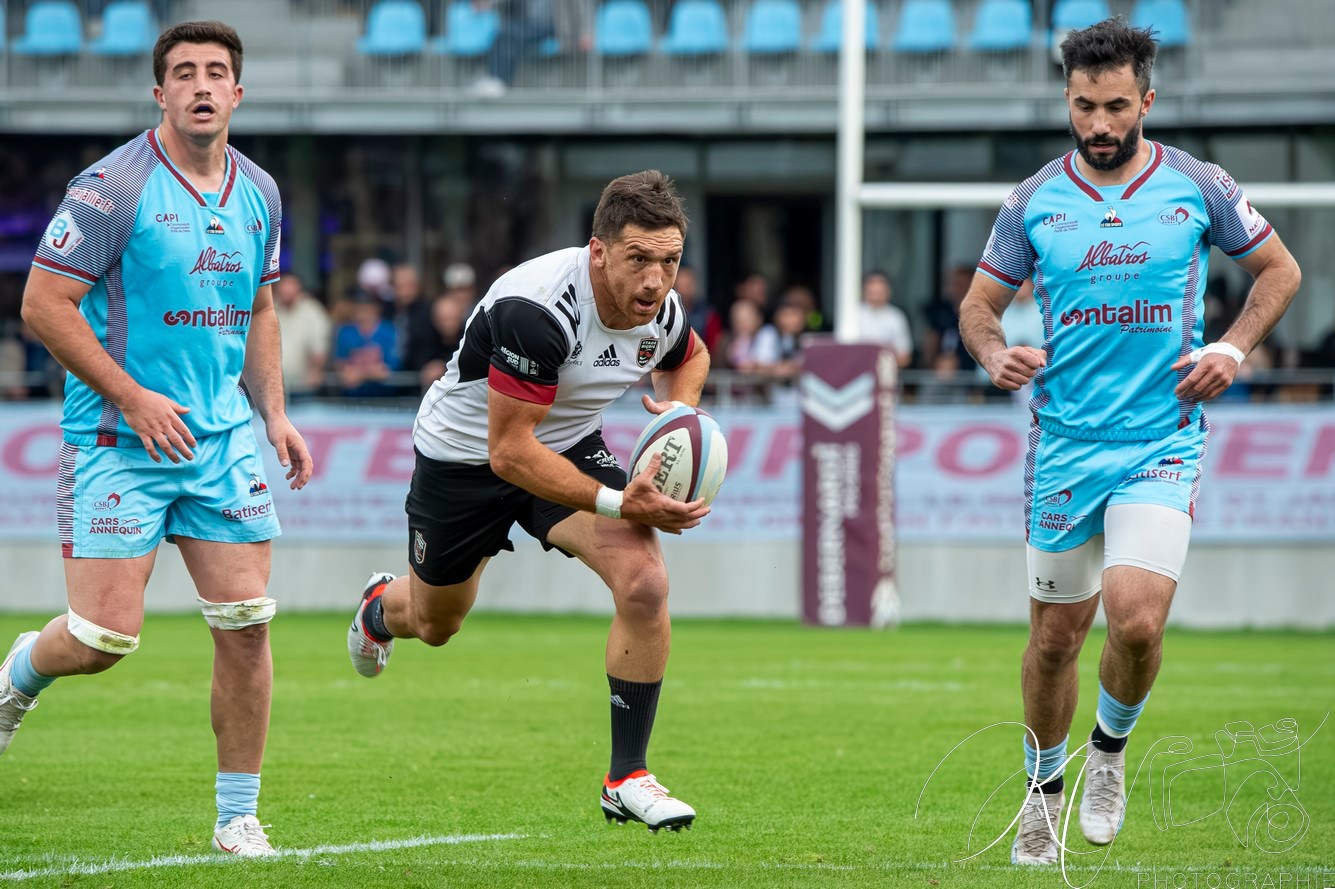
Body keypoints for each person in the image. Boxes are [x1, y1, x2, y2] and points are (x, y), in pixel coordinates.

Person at [958, 19, 1301, 866]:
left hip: (1161, 436)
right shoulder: (1033, 200)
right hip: (1065, 446)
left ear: (1145, 99)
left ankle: (1106, 755)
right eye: (1084, 106)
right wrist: (993, 352)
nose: (1100, 124)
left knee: (1136, 622)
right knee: (1053, 638)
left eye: (1116, 106)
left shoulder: (1196, 183)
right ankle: (1041, 788)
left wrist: (1230, 348)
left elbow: (1279, 270)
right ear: (1067, 102)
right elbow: (978, 305)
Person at [0, 21, 314, 857]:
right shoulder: (113, 188)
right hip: (116, 438)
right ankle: (20, 672)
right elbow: (42, 306)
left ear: (238, 94)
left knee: (246, 622)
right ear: (160, 93)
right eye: (184, 73)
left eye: (216, 73)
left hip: (219, 442)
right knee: (103, 638)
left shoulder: (261, 191)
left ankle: (237, 816)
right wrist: (134, 397)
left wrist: (273, 412)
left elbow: (258, 307)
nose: (201, 85)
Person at [345, 170, 711, 832]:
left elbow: (690, 355)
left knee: (644, 581)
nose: (656, 281)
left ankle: (625, 775)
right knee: (435, 623)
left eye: (669, 261)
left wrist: (677, 414)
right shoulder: (537, 310)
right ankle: (379, 607)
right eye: (638, 260)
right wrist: (618, 501)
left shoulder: (658, 308)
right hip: (465, 458)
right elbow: (509, 453)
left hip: (564, 444)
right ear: (597, 250)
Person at [273, 272, 332, 400]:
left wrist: (316, 370)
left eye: (290, 289)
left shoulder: (312, 311)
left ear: (299, 290)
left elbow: (319, 346)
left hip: (303, 387)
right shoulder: (270, 310)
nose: (286, 293)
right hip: (272, 387)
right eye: (283, 289)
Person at [855, 270, 913, 367]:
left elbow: (905, 357)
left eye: (879, 292)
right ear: (864, 292)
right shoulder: (853, 315)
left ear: (888, 292)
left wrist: (884, 362)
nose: (876, 297)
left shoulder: (896, 317)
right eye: (872, 292)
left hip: (885, 374)